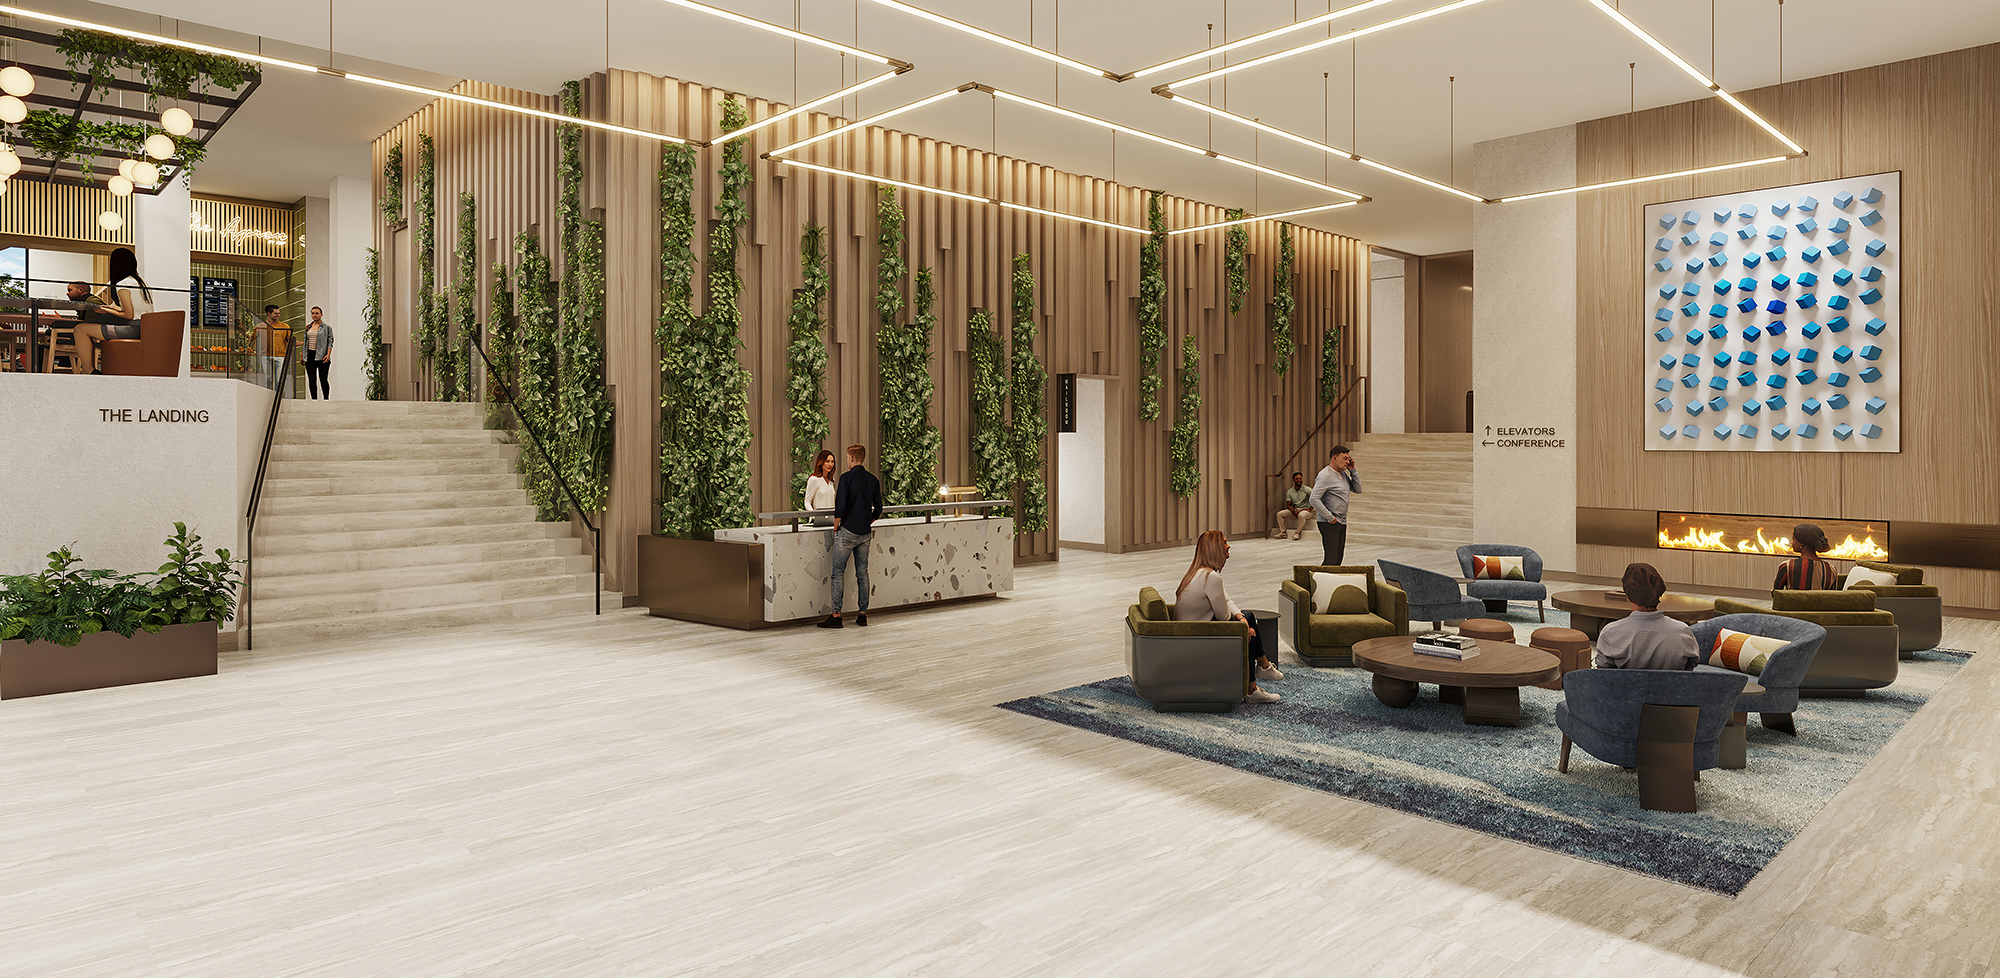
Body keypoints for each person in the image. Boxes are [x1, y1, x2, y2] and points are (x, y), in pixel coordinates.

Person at [1174, 530, 1282, 704]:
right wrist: (1243, 626)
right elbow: (1223, 617)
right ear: (1215, 548)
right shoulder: (1211, 578)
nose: (1229, 545)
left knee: (1247, 616)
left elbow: (1227, 599)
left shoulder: (1199, 573)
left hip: (1192, 635)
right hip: (1199, 640)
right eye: (1224, 542)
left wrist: (1240, 618)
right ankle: (1252, 689)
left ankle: (1263, 665)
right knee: (1248, 632)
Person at [819, 444, 883, 629]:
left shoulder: (846, 478)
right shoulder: (873, 480)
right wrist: (869, 520)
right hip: (864, 534)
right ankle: (862, 614)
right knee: (862, 573)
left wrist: (837, 523)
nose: (846, 461)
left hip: (847, 532)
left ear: (852, 458)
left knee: (837, 573)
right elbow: (878, 508)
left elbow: (840, 506)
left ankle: (836, 615)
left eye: (847, 458)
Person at [1593, 562, 1699, 670]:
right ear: (1660, 592)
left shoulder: (1610, 633)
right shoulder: (1683, 632)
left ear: (1628, 596)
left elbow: (1603, 677)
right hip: (1673, 687)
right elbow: (1689, 669)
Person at [68, 248, 152, 374]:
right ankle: (90, 370)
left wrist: (108, 310)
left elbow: (128, 315)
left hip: (131, 329)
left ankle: (88, 370)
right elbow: (131, 309)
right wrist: (108, 309)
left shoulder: (123, 284)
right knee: (87, 328)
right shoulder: (143, 283)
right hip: (145, 328)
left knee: (80, 329)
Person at [1309, 445, 1362, 565]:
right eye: (1344, 458)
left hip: (1341, 521)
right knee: (1331, 559)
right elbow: (1314, 498)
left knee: (1338, 559)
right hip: (1329, 523)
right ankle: (1319, 582)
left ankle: (1333, 582)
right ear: (1334, 458)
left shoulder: (1343, 474)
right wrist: (1330, 517)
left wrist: (1353, 471)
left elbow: (1358, 489)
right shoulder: (1325, 475)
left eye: (1349, 459)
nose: (1347, 462)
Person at [1772, 523, 1839, 591]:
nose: (1792, 543)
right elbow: (1832, 597)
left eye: (1794, 539)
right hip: (1820, 602)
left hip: (1793, 602)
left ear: (1802, 543)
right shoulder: (1831, 570)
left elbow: (1776, 593)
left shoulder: (1787, 566)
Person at [300, 306, 334, 399]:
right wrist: (303, 356)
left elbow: (330, 342)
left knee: (323, 380)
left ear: (321, 314)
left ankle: (326, 399)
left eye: (317, 313)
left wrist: (328, 355)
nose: (315, 315)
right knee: (312, 380)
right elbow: (306, 343)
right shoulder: (308, 327)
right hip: (309, 355)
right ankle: (314, 400)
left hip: (322, 355)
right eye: (313, 313)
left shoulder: (327, 328)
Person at [258, 304, 292, 391]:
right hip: (266, 356)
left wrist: (306, 343)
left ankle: (280, 400)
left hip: (280, 356)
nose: (278, 315)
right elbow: (252, 339)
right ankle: (270, 401)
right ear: (268, 313)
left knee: (279, 380)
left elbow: (291, 341)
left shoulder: (285, 326)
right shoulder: (260, 326)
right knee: (268, 380)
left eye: (279, 313)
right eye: (276, 313)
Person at [803, 448, 838, 525]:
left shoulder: (832, 480)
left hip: (831, 521)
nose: (830, 464)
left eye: (832, 462)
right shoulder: (814, 479)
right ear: (821, 462)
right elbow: (807, 502)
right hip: (817, 522)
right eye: (827, 461)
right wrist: (815, 516)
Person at [1274, 471, 1312, 540]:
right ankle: (1283, 533)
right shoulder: (1290, 492)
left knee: (1301, 515)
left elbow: (1315, 499)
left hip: (1306, 511)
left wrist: (1309, 509)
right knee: (1279, 514)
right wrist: (1294, 511)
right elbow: (1288, 504)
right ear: (1293, 480)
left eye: (1300, 478)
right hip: (1295, 510)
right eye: (1297, 479)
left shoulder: (1307, 489)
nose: (1299, 480)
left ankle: (1297, 533)